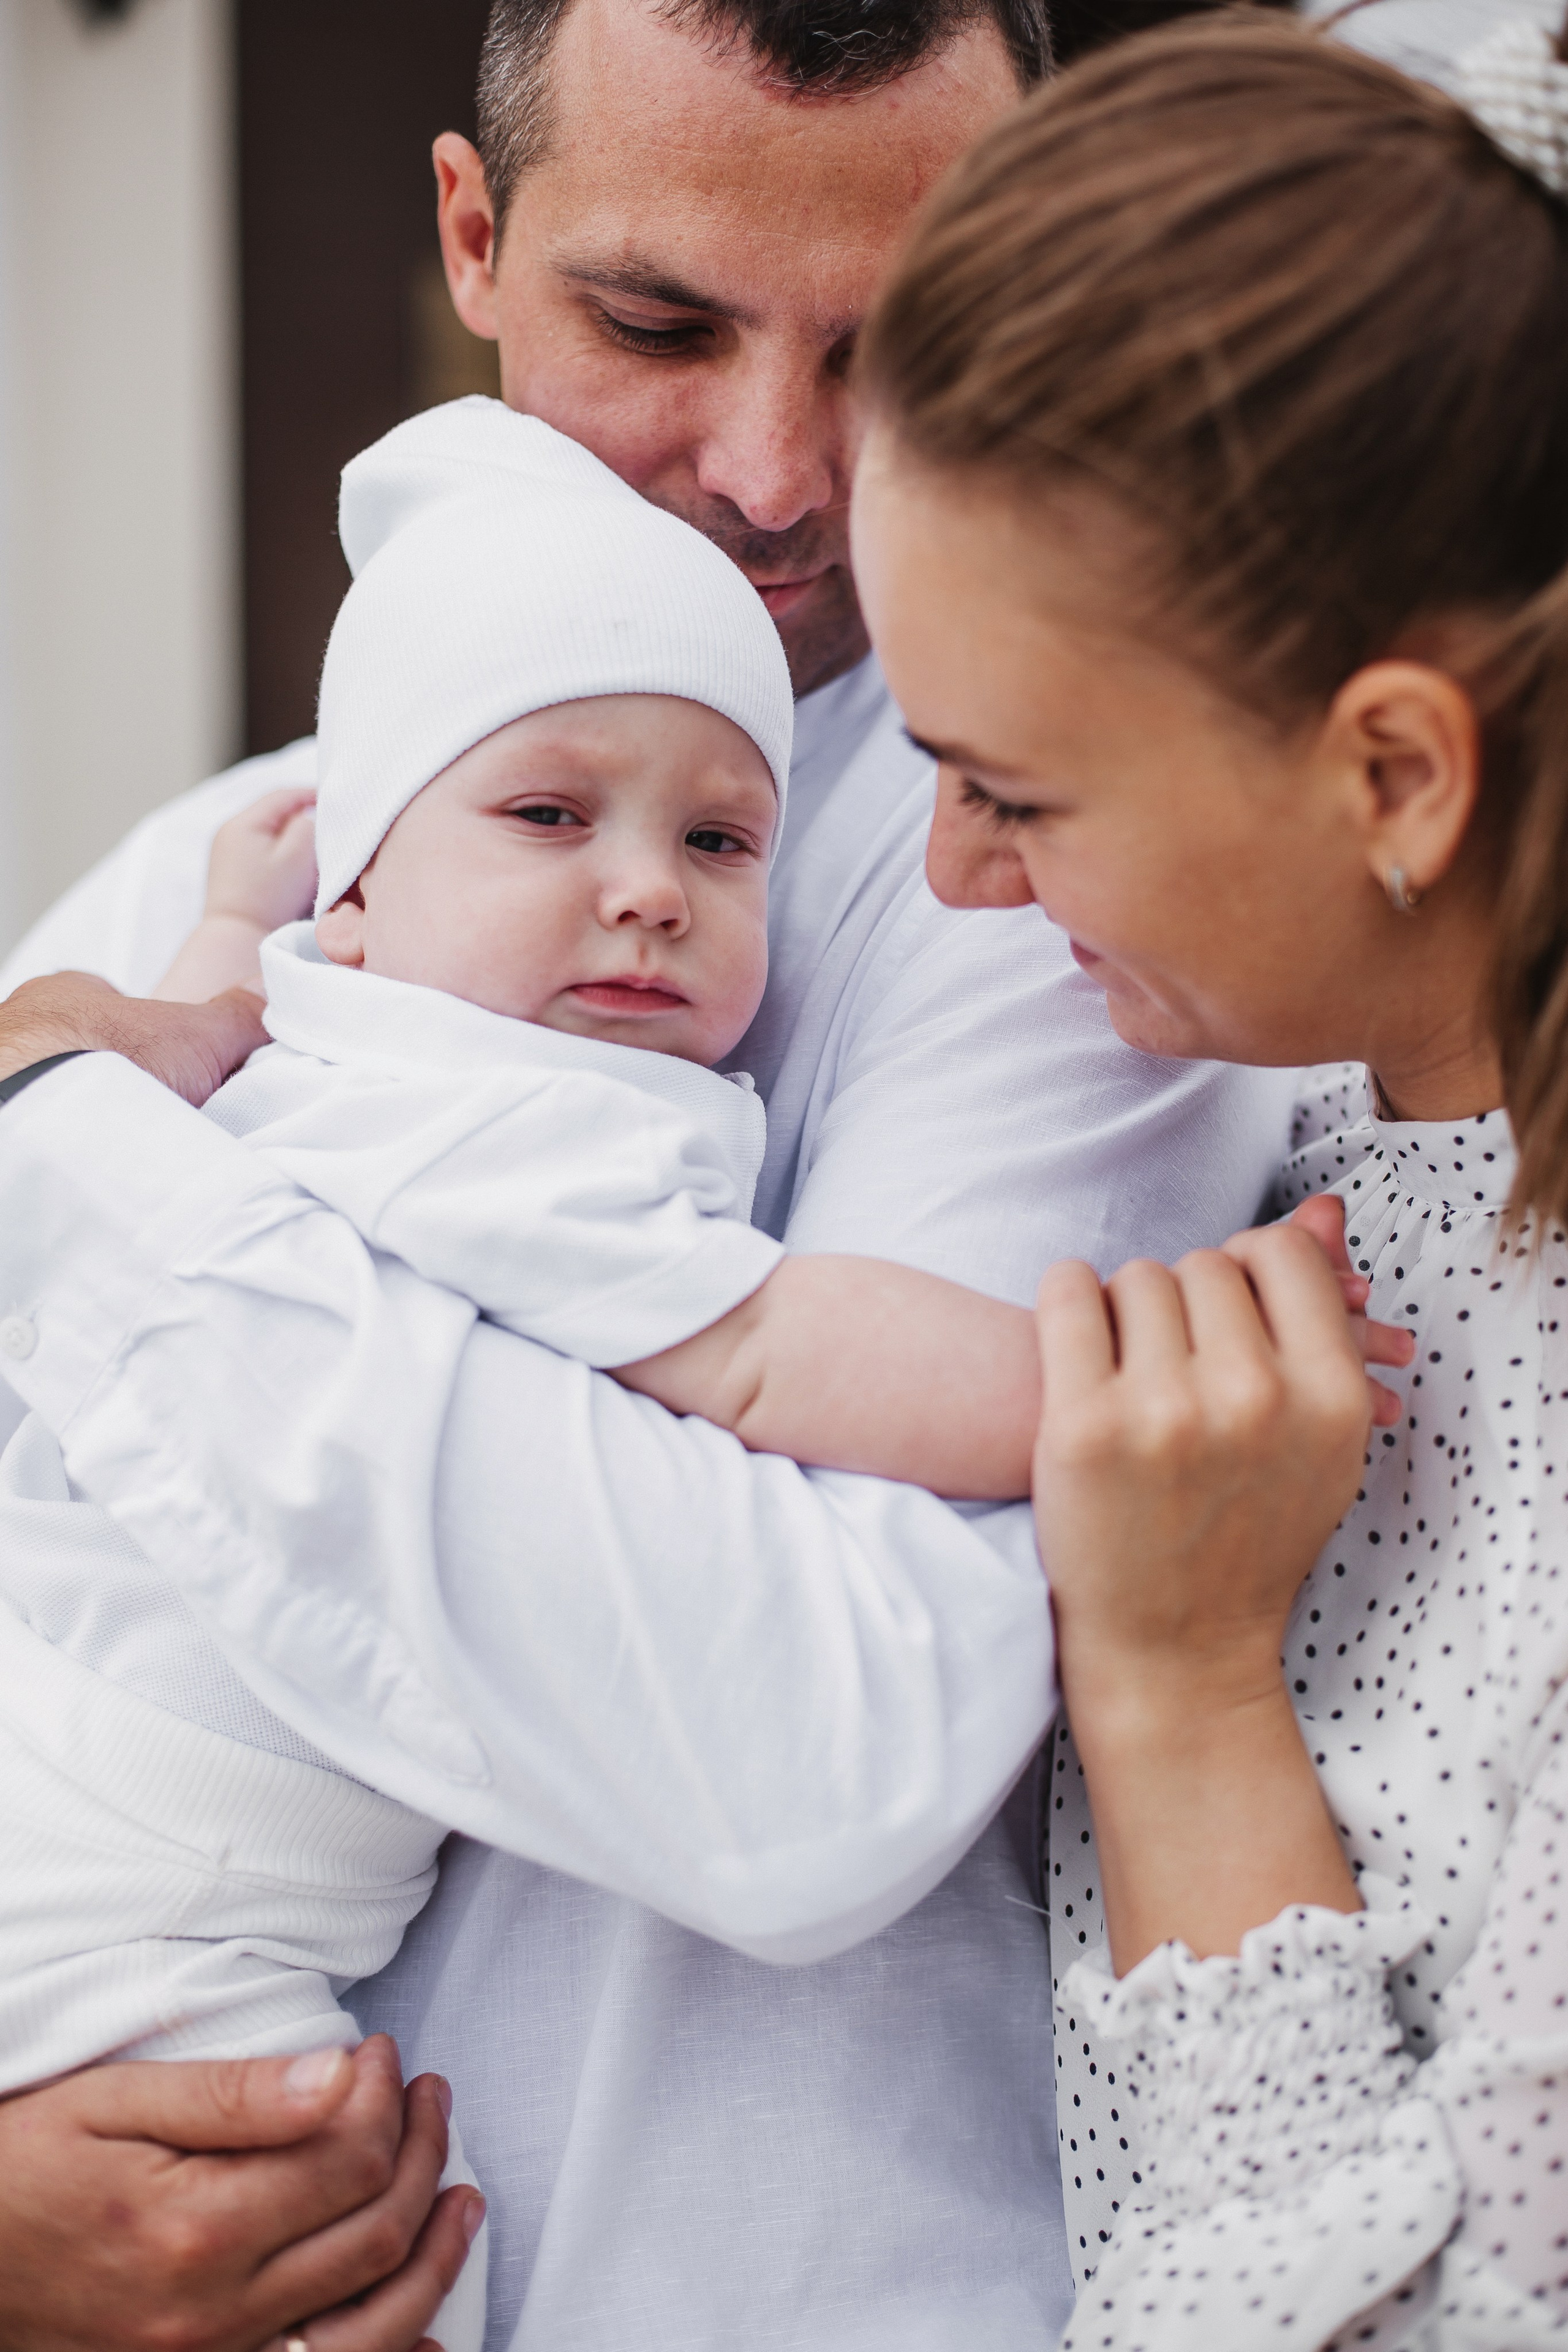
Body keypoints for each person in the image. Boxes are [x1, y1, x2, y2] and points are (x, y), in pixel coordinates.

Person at [0, 4, 1298, 2347]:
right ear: (474, 240)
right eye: (658, 323)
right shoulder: (189, 880)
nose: (778, 475)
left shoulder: (1053, 891)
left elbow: (819, 1748)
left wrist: (88, 1182)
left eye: (895, 350)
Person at [842, 7, 1568, 2341]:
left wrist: (1174, 1693)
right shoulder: (1276, 1129)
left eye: (1019, 792)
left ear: (1395, 774)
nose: (949, 878)